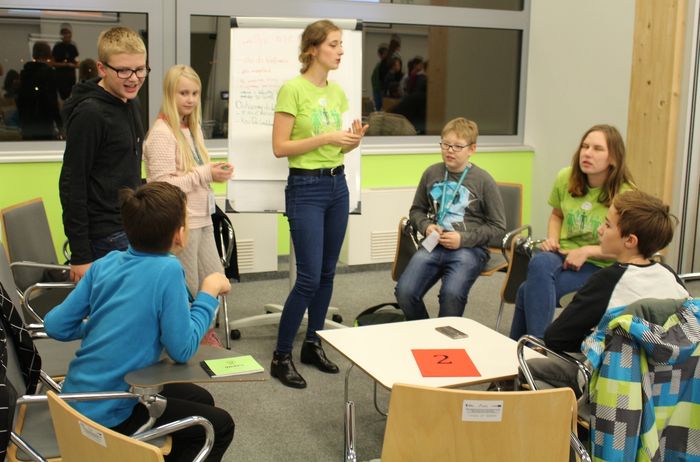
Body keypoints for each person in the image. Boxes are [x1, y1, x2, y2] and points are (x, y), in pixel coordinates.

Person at [44, 181, 234, 462]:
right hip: (111, 414)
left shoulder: (106, 262)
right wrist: (208, 293)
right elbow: (181, 350)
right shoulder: (168, 270)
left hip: (74, 401)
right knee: (219, 426)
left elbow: (55, 325)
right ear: (180, 234)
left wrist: (103, 327)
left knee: (200, 398)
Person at [270, 19, 368, 389]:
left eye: (341, 44)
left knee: (328, 272)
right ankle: (281, 356)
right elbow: (280, 147)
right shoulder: (292, 90)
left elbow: (335, 147)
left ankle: (313, 344)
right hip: (305, 188)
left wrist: (351, 141)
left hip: (336, 185)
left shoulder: (337, 92)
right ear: (313, 49)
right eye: (333, 44)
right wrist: (328, 137)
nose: (340, 51)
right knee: (309, 277)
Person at [521, 190, 688, 394]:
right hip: (667, 386)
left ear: (630, 241)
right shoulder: (670, 275)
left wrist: (599, 338)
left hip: (613, 385)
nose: (600, 230)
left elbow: (556, 338)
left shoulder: (608, 280)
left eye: (607, 225)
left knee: (526, 365)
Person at [509, 124, 635, 341]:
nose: (587, 153)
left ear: (613, 158)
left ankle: (523, 349)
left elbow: (627, 248)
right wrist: (552, 239)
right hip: (563, 254)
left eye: (597, 148)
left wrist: (587, 251)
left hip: (601, 265)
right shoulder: (565, 177)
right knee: (540, 261)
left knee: (526, 289)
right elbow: (556, 215)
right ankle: (538, 345)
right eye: (585, 146)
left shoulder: (626, 195)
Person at [144, 64, 233, 346]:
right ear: (170, 94)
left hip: (202, 218)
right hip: (180, 223)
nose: (190, 99)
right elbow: (162, 187)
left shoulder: (191, 128)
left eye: (195, 93)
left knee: (215, 279)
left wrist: (212, 173)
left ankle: (201, 334)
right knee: (189, 289)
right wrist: (205, 173)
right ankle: (188, 342)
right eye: (183, 93)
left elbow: (194, 174)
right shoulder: (162, 133)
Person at [59, 26, 148, 282]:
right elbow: (72, 184)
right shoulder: (90, 114)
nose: (134, 78)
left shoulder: (131, 102)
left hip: (129, 225)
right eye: (123, 70)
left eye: (140, 69)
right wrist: (80, 255)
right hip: (105, 236)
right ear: (101, 68)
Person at [395, 117, 506, 320]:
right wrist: (426, 227)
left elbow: (498, 227)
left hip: (469, 248)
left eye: (457, 146)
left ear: (472, 149)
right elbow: (417, 210)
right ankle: (425, 331)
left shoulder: (483, 181)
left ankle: (445, 337)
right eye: (445, 144)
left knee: (451, 295)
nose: (450, 150)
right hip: (434, 243)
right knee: (404, 292)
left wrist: (463, 239)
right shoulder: (432, 173)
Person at [16, 41, 61, 140]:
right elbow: (52, 101)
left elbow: (20, 99)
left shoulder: (25, 73)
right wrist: (60, 124)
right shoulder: (49, 73)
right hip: (44, 121)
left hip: (27, 122)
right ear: (48, 54)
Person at [52, 22, 79, 100]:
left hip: (71, 77)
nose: (66, 35)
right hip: (60, 77)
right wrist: (65, 64)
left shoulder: (73, 46)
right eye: (64, 33)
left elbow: (77, 63)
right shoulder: (57, 46)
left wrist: (74, 65)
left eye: (68, 33)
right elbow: (52, 63)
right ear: (61, 35)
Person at [370, 43, 388, 111]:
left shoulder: (385, 64)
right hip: (378, 89)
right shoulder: (380, 64)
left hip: (381, 89)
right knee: (378, 108)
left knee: (381, 108)